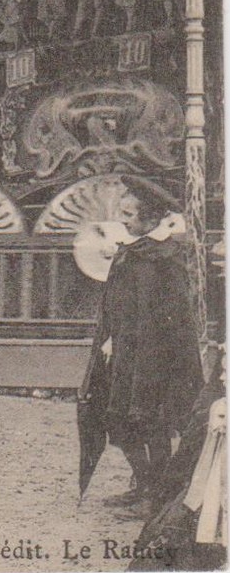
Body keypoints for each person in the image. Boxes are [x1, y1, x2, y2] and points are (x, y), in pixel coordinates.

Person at [82, 196, 204, 513]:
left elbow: (166, 316)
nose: (123, 219)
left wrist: (130, 341)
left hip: (154, 358)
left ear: (149, 219)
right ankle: (145, 483)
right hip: (126, 354)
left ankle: (157, 495)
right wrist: (112, 337)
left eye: (129, 214)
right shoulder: (135, 253)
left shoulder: (164, 258)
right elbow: (121, 303)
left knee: (152, 423)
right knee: (118, 420)